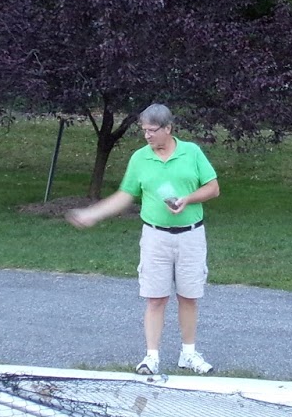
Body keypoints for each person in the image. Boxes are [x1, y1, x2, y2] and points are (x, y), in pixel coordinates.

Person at [67, 103, 221, 375]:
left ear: (168, 128)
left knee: (189, 297)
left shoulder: (192, 152)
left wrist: (188, 199)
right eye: (144, 130)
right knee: (155, 298)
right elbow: (125, 195)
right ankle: (151, 357)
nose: (147, 136)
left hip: (191, 235)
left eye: (152, 130)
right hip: (155, 237)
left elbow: (213, 188)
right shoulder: (140, 158)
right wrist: (94, 214)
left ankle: (189, 354)